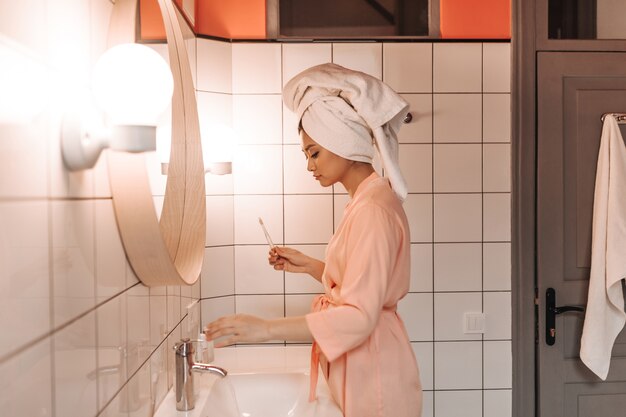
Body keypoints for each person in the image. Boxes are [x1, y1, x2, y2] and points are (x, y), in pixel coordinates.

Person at [204, 63, 422, 417]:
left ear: (343, 141)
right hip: (368, 362)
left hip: (375, 374)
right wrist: (311, 266)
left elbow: (358, 315)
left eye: (314, 152)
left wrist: (265, 329)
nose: (309, 165)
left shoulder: (372, 211)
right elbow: (364, 285)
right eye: (307, 154)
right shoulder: (367, 200)